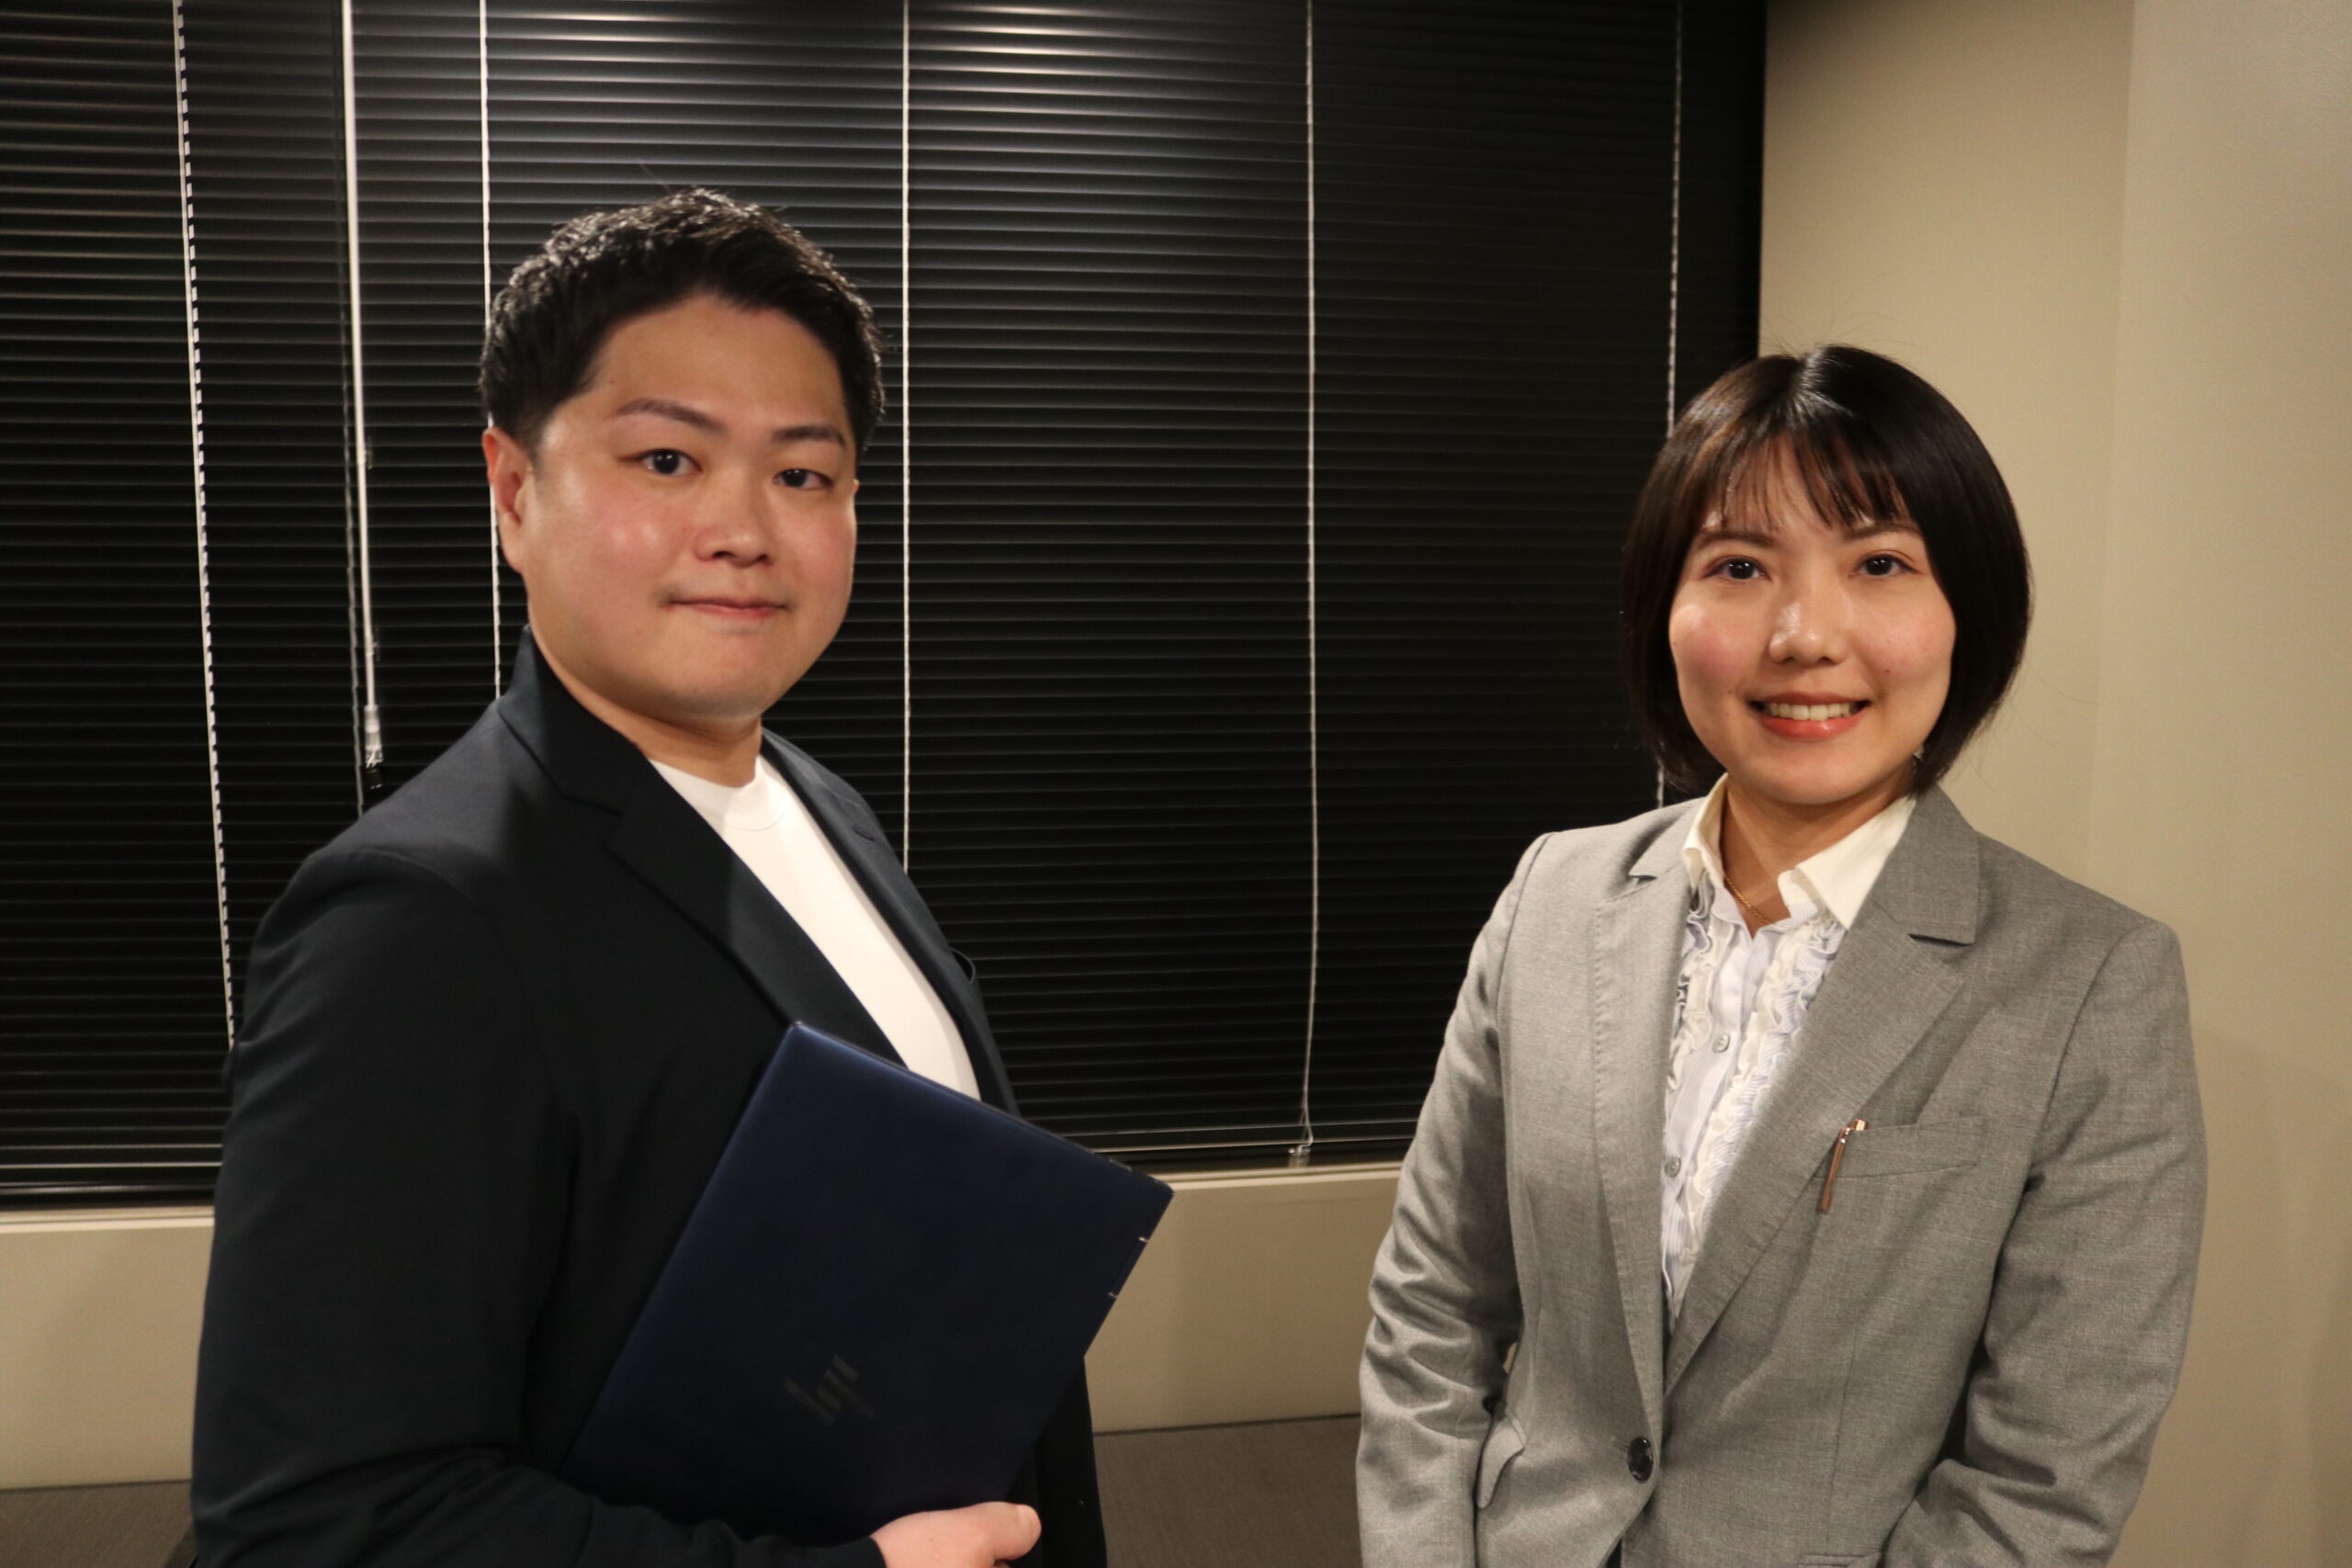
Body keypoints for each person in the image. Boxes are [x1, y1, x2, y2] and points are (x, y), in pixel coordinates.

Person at [193, 189, 1098, 1568]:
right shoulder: (420, 919)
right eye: (669, 459)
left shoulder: (816, 801)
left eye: (804, 475)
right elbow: (317, 1521)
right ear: (514, 491)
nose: (745, 528)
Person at [1355, 346, 2205, 1567]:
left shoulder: (2091, 981)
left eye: (1880, 565)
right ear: (1663, 609)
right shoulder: (1553, 896)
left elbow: (2044, 1481)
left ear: (1967, 612)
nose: (1805, 636)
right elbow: (1433, 1309)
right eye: (1741, 567)